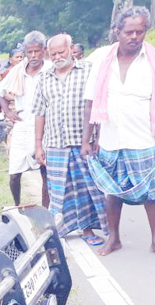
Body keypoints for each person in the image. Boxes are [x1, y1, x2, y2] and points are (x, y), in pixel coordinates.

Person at [81, 6, 155, 255]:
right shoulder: (102, 61)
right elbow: (90, 101)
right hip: (110, 140)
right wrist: (85, 141)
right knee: (111, 193)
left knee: (151, 195)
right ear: (117, 31)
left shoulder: (152, 59)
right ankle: (114, 238)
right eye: (129, 32)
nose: (135, 37)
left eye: (140, 32)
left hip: (145, 139)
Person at [33, 34, 106, 245]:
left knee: (88, 189)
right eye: (53, 54)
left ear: (71, 49)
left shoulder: (88, 71)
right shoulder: (44, 78)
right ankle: (58, 231)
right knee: (59, 192)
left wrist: (98, 138)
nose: (57, 57)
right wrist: (38, 144)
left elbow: (97, 105)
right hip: (55, 144)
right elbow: (39, 113)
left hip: (83, 142)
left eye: (61, 52)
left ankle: (88, 229)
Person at [0, 31, 52, 207]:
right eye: (30, 52)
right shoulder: (18, 70)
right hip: (22, 127)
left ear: (44, 50)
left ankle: (46, 212)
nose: (34, 56)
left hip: (46, 128)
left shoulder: (50, 69)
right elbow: (0, 92)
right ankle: (17, 207)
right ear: (26, 52)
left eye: (37, 51)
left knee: (45, 173)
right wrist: (8, 112)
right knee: (14, 174)